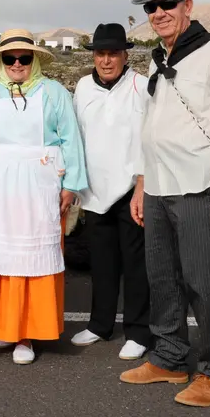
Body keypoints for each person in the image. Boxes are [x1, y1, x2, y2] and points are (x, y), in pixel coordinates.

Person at [119, 0, 210, 408]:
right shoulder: (157, 58)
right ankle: (171, 357)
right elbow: (150, 126)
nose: (158, 13)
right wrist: (141, 184)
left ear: (187, 6)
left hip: (199, 185)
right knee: (161, 277)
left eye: (167, 4)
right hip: (159, 185)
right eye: (151, 7)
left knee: (201, 280)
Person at [0, 29, 87, 365]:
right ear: (1, 62)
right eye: (10, 58)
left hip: (39, 184)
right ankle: (5, 325)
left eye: (24, 57)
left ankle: (28, 334)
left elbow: (70, 139)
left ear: (34, 60)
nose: (17, 63)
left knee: (33, 258)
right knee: (0, 254)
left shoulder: (53, 92)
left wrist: (71, 183)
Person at [71, 23, 153, 361]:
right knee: (101, 263)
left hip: (130, 190)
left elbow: (150, 138)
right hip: (94, 191)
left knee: (135, 265)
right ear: (94, 55)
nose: (106, 60)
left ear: (124, 54)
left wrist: (142, 186)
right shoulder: (82, 88)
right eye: (101, 53)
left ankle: (137, 331)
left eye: (113, 53)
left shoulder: (141, 86)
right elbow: (75, 137)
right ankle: (100, 324)